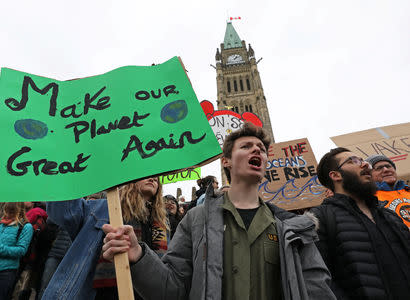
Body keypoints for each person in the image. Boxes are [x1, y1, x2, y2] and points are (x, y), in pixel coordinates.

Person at [102, 122, 335, 300]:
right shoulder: (196, 219)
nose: (257, 151)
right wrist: (139, 256)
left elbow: (317, 289)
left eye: (262, 149)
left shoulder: (294, 226)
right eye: (246, 146)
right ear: (226, 162)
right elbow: (171, 290)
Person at [43, 177, 168, 300]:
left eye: (157, 177)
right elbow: (62, 210)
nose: (153, 178)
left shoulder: (162, 223)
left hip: (147, 292)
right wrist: (67, 172)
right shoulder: (100, 209)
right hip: (104, 292)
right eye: (146, 174)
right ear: (131, 178)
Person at [312, 147, 410, 299]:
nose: (365, 165)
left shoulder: (389, 214)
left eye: (363, 161)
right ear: (336, 175)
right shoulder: (321, 219)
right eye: (354, 161)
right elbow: (319, 280)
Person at [0, 202, 33, 300]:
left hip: (5, 272)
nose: (8, 214)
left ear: (19, 211)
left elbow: (21, 250)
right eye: (6, 210)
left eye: (12, 211)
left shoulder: (26, 227)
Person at [366, 154, 410, 227]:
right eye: (379, 168)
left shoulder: (408, 191)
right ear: (368, 175)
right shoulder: (368, 199)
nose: (386, 170)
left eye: (388, 166)